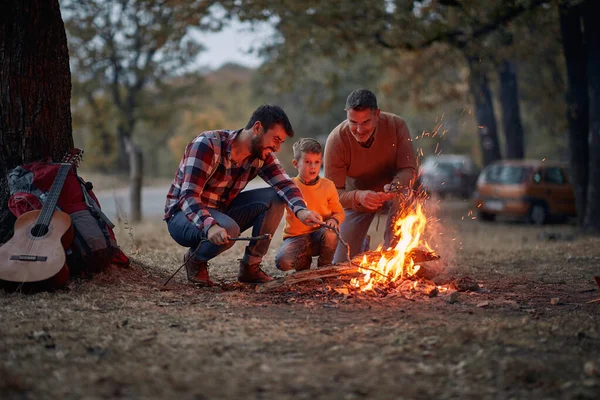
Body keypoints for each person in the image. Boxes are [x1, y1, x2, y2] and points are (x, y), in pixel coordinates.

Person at [164, 105, 323, 286]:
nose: (277, 148)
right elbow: (188, 196)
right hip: (183, 216)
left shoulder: (261, 154)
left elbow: (285, 184)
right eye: (276, 139)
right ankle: (195, 260)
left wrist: (301, 210)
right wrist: (210, 226)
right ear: (257, 128)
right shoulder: (207, 145)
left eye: (281, 142)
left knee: (275, 197)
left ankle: (250, 268)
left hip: (221, 211)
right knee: (229, 229)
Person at [324, 89, 416, 263]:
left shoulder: (397, 126)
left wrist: (394, 187)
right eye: (353, 122)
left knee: (406, 195)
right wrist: (358, 196)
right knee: (340, 262)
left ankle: (394, 256)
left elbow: (409, 169)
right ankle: (361, 243)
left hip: (392, 193)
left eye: (365, 122)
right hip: (356, 199)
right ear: (346, 115)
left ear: (377, 115)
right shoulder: (336, 140)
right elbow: (332, 193)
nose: (359, 129)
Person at [275, 138, 345, 271]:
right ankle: (303, 263)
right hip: (296, 237)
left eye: (316, 162)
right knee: (283, 262)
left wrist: (334, 220)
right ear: (296, 163)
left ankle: (325, 266)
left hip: (321, 235)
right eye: (307, 162)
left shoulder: (328, 185)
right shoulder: (290, 186)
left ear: (321, 163)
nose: (313, 166)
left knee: (331, 233)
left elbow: (339, 211)